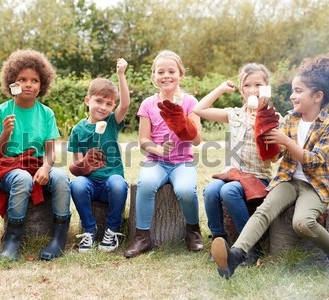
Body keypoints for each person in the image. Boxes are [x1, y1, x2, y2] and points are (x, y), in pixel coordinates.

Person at [211, 54, 329, 279]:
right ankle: (236, 255)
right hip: (288, 179)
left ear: (317, 96)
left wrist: (286, 141)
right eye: (293, 90)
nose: (292, 96)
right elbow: (275, 156)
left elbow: (314, 160)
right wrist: (263, 129)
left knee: (302, 223)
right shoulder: (288, 120)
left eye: (298, 91)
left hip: (315, 185)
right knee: (264, 210)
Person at [0, 49, 71, 261]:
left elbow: (51, 153)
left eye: (34, 80)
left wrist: (45, 168)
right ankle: (13, 238)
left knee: (61, 178)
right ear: (11, 83)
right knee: (22, 178)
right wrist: (6, 132)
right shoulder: (1, 112)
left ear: (42, 85)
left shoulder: (46, 113)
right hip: (10, 170)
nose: (28, 84)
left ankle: (59, 238)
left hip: (38, 166)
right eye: (21, 79)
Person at [124, 50, 203, 258]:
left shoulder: (190, 102)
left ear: (180, 74)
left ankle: (193, 231)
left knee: (186, 190)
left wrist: (183, 126)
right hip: (156, 161)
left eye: (171, 71)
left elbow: (197, 140)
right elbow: (143, 141)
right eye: (160, 72)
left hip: (182, 162)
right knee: (145, 185)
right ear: (154, 77)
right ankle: (142, 237)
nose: (166, 75)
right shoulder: (148, 104)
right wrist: (157, 149)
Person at [193, 63, 275, 265]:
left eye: (258, 85)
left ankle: (251, 247)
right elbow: (198, 109)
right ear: (241, 90)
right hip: (232, 173)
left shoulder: (273, 118)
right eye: (247, 85)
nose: (253, 90)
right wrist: (221, 89)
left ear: (266, 88)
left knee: (229, 191)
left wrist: (265, 128)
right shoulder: (234, 114)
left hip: (257, 177)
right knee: (212, 190)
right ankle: (219, 240)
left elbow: (274, 159)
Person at [68, 58, 130, 252]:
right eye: (99, 101)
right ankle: (89, 230)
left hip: (111, 179)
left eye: (109, 103)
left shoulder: (112, 121)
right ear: (88, 101)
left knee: (119, 184)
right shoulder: (78, 130)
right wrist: (85, 163)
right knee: (76, 185)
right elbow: (76, 164)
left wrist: (121, 74)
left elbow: (126, 104)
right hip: (90, 183)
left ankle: (112, 229)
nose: (103, 107)